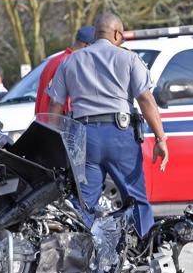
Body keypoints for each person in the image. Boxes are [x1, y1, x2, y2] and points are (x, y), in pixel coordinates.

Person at [47, 12, 168, 238]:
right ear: (116, 34)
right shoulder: (130, 59)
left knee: (83, 205)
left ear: (95, 34)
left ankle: (80, 257)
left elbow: (55, 106)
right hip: (119, 136)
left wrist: (56, 144)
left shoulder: (70, 61)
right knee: (136, 200)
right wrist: (161, 138)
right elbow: (145, 99)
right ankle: (145, 255)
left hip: (83, 137)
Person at [34, 26, 95, 114]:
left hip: (43, 121)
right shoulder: (72, 64)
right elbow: (64, 104)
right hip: (55, 122)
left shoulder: (53, 61)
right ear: (87, 46)